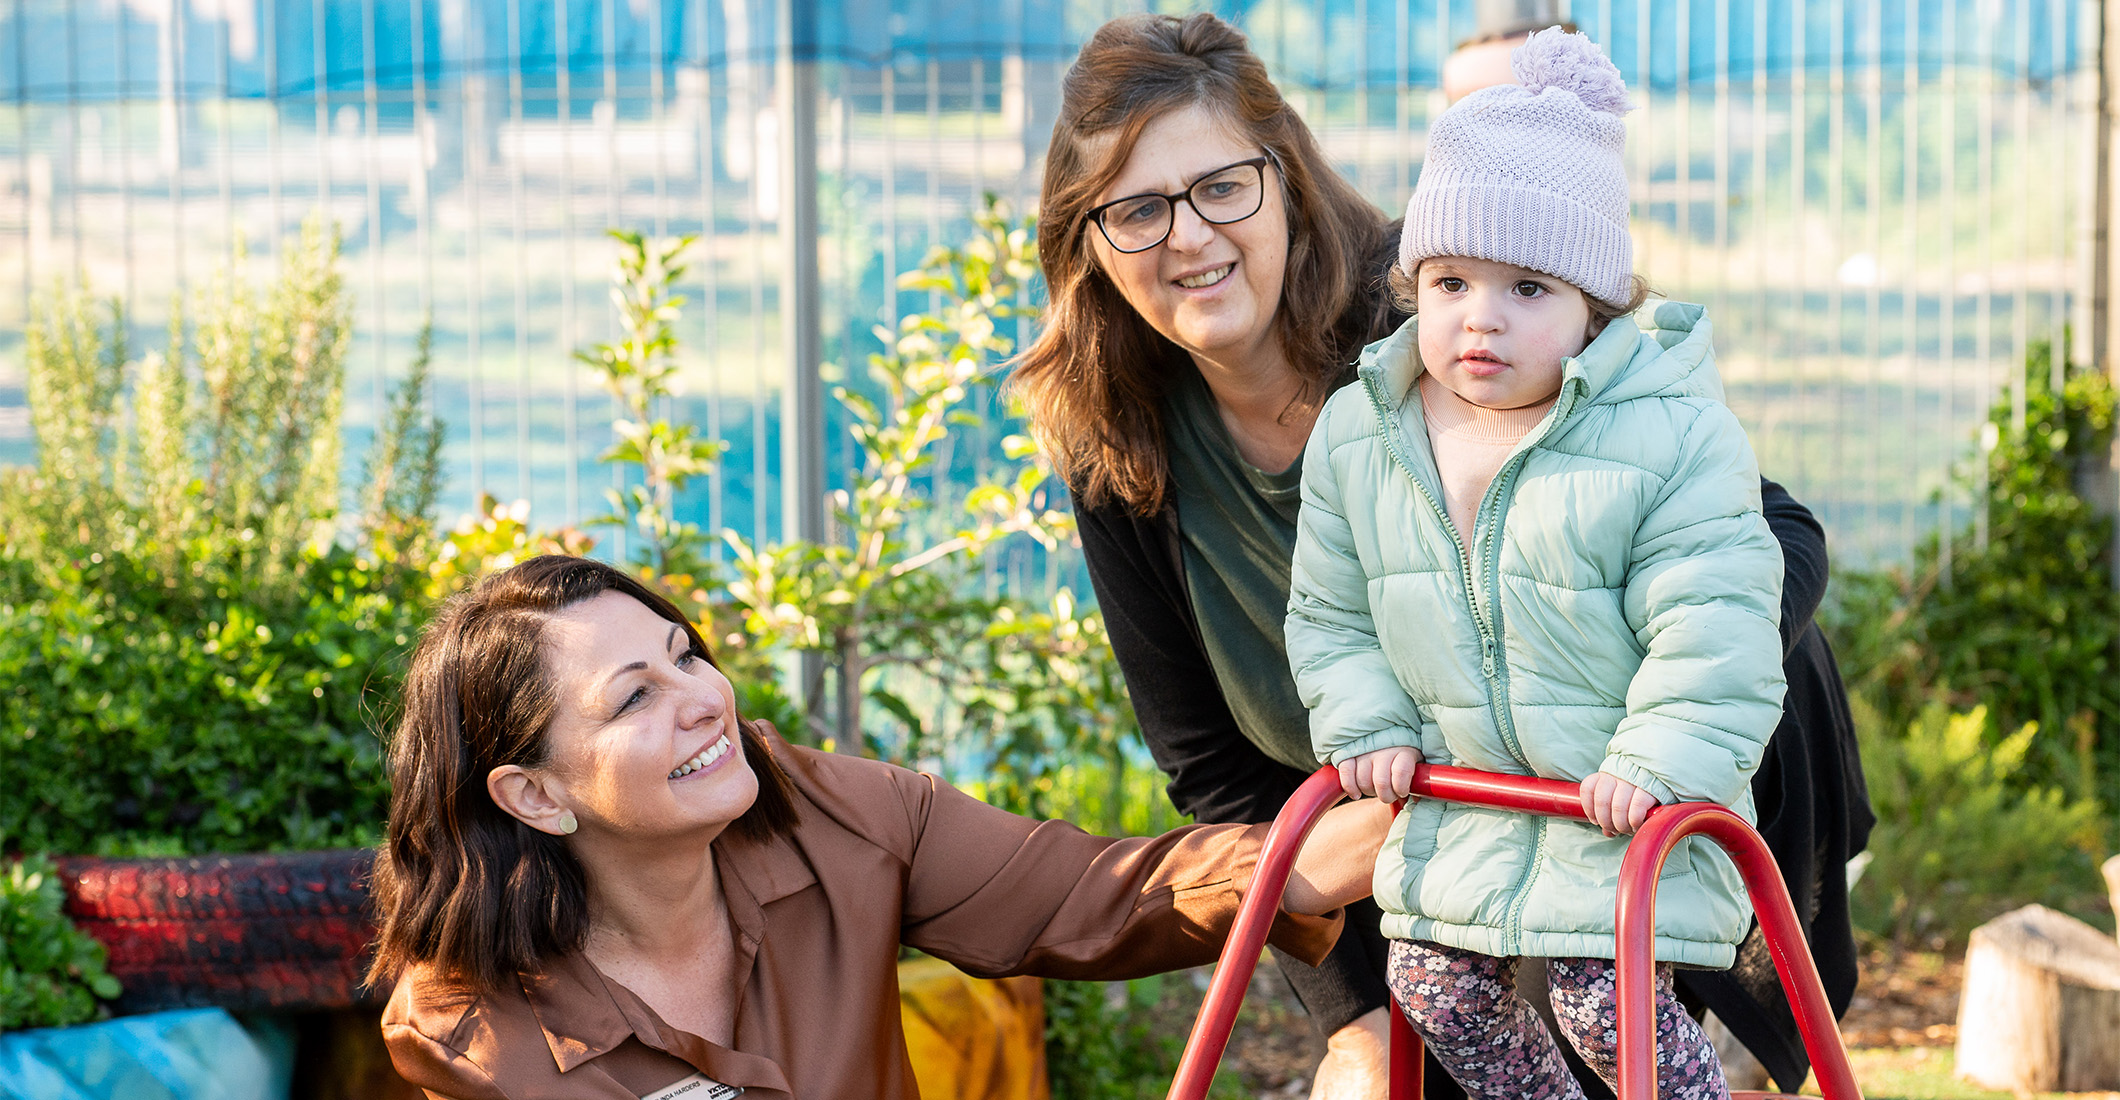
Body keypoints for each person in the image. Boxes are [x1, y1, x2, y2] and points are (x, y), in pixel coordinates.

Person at [1012, 12, 1870, 1098]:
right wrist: (1352, 1014)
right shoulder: (1122, 445)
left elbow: (1769, 532)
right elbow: (1213, 768)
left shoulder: (1450, 302)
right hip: (1441, 847)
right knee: (1438, 1032)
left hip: (1644, 793)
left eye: (1219, 186)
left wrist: (1625, 724)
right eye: (1134, 209)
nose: (1186, 236)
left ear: (1282, 177)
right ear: (1085, 239)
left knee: (1615, 1026)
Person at [366, 554, 1392, 1100]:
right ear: (534, 795)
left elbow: (1077, 890)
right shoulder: (476, 1029)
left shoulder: (817, 806)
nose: (700, 697)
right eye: (633, 695)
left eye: (686, 654)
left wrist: (1295, 863)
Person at [1286, 28, 1779, 1099]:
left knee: (1600, 996)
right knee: (1427, 978)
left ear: (1593, 308)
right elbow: (1329, 613)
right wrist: (1367, 723)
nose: (1479, 319)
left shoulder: (1665, 436)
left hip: (1625, 811)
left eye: (1526, 288)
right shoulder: (1363, 435)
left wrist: (1653, 761)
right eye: (1451, 279)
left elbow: (1717, 624)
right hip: (1471, 806)